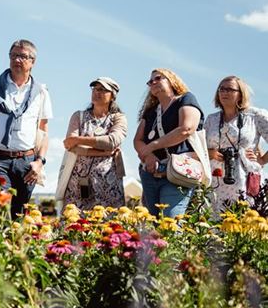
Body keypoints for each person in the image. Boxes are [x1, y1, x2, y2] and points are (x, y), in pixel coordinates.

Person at [0, 39, 52, 216]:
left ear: (32, 62)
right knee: (0, 212)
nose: (17, 60)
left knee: (19, 216)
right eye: (14, 55)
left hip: (27, 163)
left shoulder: (41, 92)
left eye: (23, 56)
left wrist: (39, 162)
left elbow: (43, 131)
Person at [134, 68, 203, 217]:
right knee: (153, 223)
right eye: (150, 81)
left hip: (177, 171)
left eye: (158, 78)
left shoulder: (186, 99)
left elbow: (186, 128)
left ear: (172, 80)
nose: (153, 82)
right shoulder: (151, 111)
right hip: (151, 172)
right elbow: (138, 140)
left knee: (170, 223)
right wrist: (149, 156)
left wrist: (152, 145)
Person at [61, 77, 127, 210]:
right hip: (78, 185)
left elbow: (112, 141)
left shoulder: (118, 118)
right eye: (95, 88)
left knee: (109, 226)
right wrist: (104, 152)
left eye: (102, 90)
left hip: (109, 186)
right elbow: (70, 145)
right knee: (75, 225)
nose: (97, 92)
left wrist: (80, 140)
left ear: (112, 96)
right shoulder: (78, 116)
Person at [205, 76, 268, 212]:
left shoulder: (254, 115)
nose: (224, 92)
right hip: (215, 179)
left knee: (242, 222)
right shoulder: (212, 119)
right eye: (221, 89)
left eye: (229, 89)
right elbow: (199, 147)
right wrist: (209, 153)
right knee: (214, 224)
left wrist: (262, 160)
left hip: (245, 178)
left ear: (240, 94)